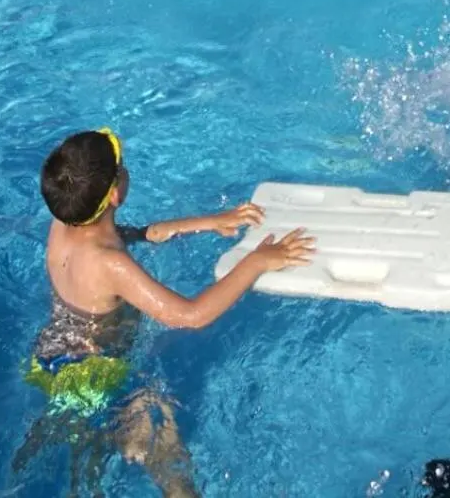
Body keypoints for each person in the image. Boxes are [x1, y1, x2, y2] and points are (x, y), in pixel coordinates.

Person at [23, 127, 314, 496]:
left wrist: (209, 221)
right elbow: (190, 316)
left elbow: (131, 233)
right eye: (121, 167)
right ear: (116, 192)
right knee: (160, 435)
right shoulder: (111, 265)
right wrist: (256, 261)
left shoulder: (64, 223)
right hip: (97, 377)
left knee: (80, 465)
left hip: (49, 358)